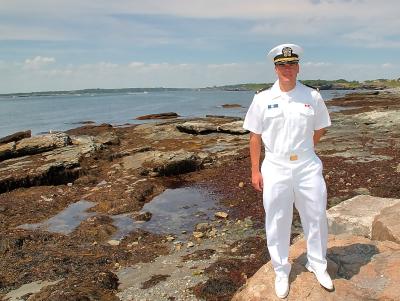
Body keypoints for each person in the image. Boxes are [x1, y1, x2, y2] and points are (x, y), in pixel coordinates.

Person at [243, 43, 334, 298]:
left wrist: (305, 149)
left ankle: (318, 264)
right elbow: (254, 136)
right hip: (275, 166)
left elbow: (320, 128)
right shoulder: (262, 98)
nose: (287, 69)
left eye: (291, 64)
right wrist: (254, 171)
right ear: (275, 68)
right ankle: (281, 270)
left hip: (307, 165)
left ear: (298, 67)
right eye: (282, 64)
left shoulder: (312, 96)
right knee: (277, 219)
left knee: (315, 215)